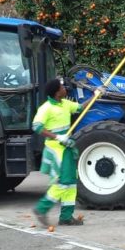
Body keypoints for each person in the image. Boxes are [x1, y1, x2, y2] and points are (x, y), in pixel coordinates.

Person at [32, 78, 84, 226]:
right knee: (63, 183)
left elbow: (80, 108)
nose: (64, 88)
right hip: (56, 150)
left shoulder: (66, 104)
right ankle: (41, 209)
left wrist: (97, 95)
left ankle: (66, 217)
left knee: (71, 184)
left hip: (67, 148)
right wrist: (57, 137)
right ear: (56, 93)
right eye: (61, 87)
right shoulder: (46, 108)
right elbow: (37, 127)